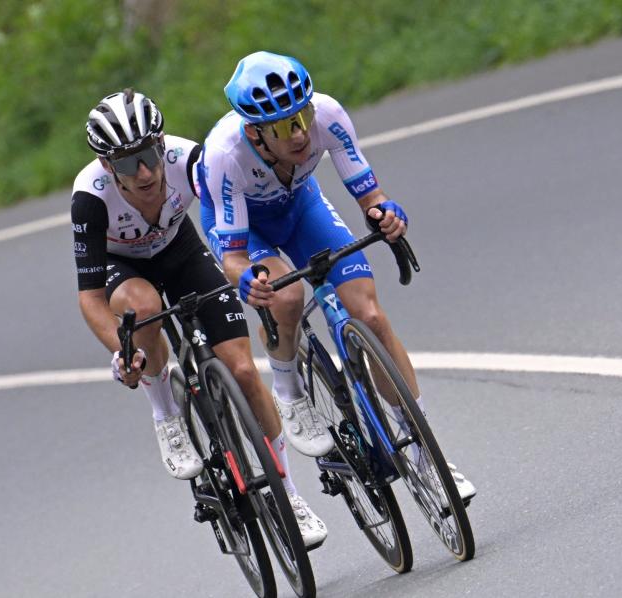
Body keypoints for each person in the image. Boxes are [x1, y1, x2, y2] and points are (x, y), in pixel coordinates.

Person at [198, 51, 476, 504]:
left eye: (303, 115)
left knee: (369, 314)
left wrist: (386, 214)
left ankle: (428, 453)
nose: (302, 132)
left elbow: (371, 194)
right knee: (285, 298)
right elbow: (232, 258)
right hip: (245, 229)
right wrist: (247, 279)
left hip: (300, 206)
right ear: (255, 132)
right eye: (287, 126)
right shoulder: (225, 156)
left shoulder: (328, 115)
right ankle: (287, 387)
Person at [70, 88, 327, 546]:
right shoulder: (90, 197)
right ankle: (165, 410)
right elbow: (90, 297)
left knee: (245, 370)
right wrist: (123, 352)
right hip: (124, 269)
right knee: (144, 309)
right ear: (109, 168)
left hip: (182, 250)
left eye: (149, 154)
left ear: (161, 143)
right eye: (128, 164)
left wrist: (247, 274)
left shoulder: (189, 160)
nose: (145, 172)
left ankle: (288, 493)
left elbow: (227, 225)